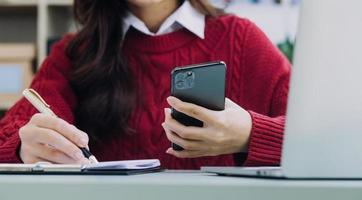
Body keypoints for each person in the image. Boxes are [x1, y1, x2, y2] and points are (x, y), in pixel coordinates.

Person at [0, 0, 290, 169]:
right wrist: (23, 151)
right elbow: (8, 140)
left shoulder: (243, 40)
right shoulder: (74, 54)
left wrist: (250, 135)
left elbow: (322, 141)